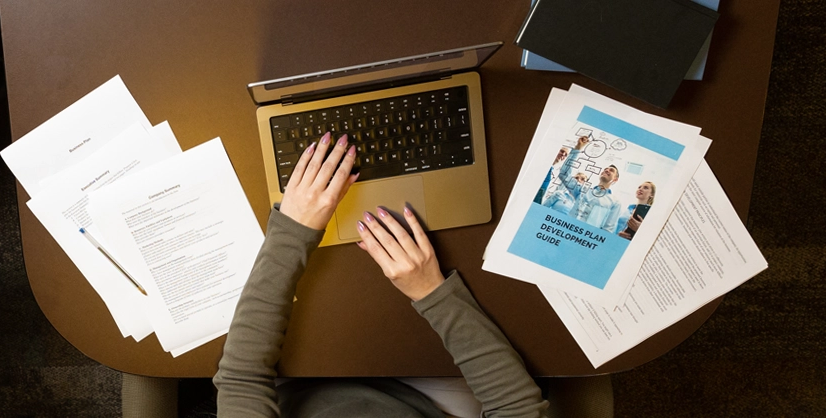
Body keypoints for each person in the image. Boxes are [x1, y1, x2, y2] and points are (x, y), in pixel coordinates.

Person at [214, 132, 549, 417]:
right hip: (420, 399)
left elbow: (242, 379)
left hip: (296, 398)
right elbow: (518, 408)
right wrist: (432, 293)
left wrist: (293, 231)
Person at [556, 136, 623, 233]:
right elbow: (564, 174)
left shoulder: (615, 203)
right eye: (605, 169)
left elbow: (608, 230)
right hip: (567, 232)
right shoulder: (582, 190)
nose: (607, 170)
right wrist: (577, 148)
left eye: (611, 170)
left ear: (615, 179)